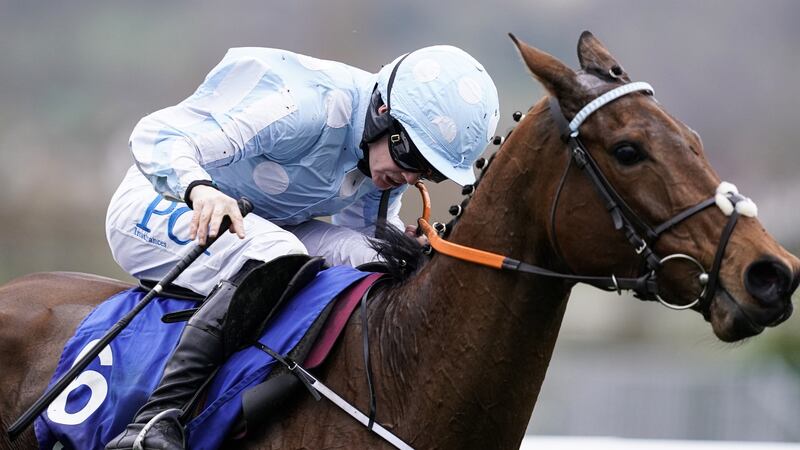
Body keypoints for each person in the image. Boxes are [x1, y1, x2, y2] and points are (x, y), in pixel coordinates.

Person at [104, 45, 499, 449]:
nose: (409, 174)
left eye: (429, 171)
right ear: (383, 111)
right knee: (278, 250)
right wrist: (198, 187)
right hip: (160, 201)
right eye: (410, 153)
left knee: (387, 261)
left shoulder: (380, 157)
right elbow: (156, 134)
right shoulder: (303, 109)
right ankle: (153, 422)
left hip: (262, 226)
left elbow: (367, 234)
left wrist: (405, 247)